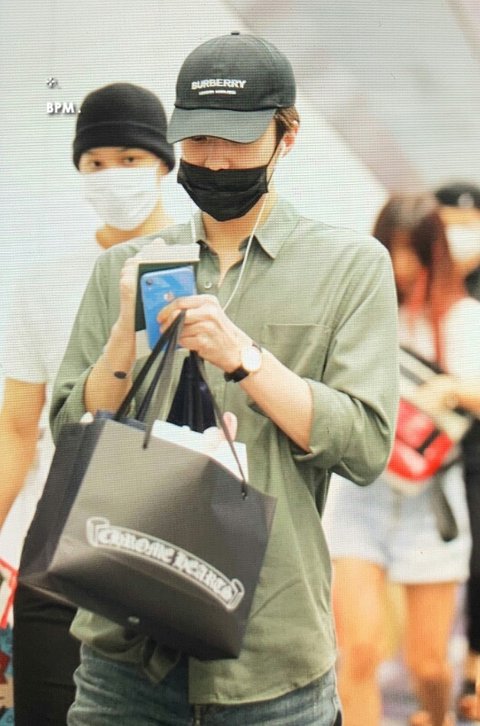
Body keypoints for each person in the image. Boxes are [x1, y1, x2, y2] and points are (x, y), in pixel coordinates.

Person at [50, 32, 399, 726]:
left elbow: (365, 446)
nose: (213, 159)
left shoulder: (351, 267)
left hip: (271, 657)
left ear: (287, 136)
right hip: (123, 647)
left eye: (236, 140)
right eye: (199, 138)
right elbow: (71, 433)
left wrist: (247, 359)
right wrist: (124, 336)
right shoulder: (127, 265)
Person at [0, 82, 175, 725]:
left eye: (129, 158)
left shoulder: (195, 267)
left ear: (162, 163)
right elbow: (17, 428)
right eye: (95, 162)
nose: (112, 174)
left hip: (169, 540)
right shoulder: (41, 283)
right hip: (57, 544)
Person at [323, 193, 480, 726]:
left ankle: (436, 718)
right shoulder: (363, 310)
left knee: (428, 665)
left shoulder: (463, 318)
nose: (402, 264)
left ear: (435, 252)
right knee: (359, 650)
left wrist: (451, 389)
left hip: (431, 502)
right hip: (360, 492)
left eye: (414, 251)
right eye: (392, 249)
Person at [433, 182, 480, 722]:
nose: (459, 235)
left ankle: (473, 669)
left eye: (469, 224)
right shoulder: (427, 285)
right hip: (435, 448)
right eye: (448, 224)